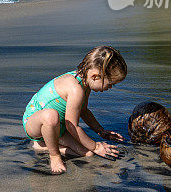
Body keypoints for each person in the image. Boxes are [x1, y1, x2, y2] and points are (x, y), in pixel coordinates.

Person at [22, 45, 127, 174]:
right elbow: (72, 126)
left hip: (58, 127)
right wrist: (96, 146)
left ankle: (43, 145)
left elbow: (83, 110)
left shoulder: (86, 84)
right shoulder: (75, 89)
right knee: (51, 115)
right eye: (110, 84)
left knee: (88, 154)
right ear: (95, 76)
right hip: (35, 122)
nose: (110, 87)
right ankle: (54, 155)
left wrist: (101, 131)